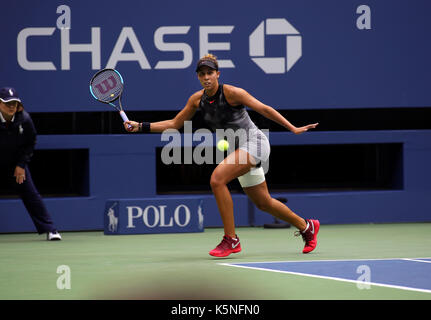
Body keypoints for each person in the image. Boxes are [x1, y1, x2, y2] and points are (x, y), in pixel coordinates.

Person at [124, 54, 319, 257]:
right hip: (239, 150)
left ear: (218, 74)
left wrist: (293, 128)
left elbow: (264, 109)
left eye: (210, 73)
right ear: (198, 77)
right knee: (263, 202)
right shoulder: (196, 100)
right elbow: (174, 124)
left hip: (255, 143)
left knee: (217, 179)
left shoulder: (233, 93)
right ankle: (307, 227)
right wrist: (140, 127)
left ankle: (231, 240)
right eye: (202, 74)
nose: (206, 77)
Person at [0, 87, 61, 240]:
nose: (11, 106)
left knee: (30, 194)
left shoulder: (24, 119)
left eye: (14, 103)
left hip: (16, 164)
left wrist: (21, 165)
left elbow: (31, 142)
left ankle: (50, 230)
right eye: (7, 103)